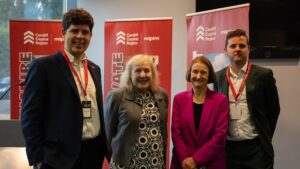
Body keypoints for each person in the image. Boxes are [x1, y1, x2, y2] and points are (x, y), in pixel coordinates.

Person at [21, 8, 107, 169]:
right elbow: (30, 117)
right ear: (63, 33)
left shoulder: (94, 69)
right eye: (74, 31)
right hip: (57, 158)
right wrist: (37, 159)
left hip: (93, 154)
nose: (80, 36)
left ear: (91, 36)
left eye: (85, 32)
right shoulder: (43, 67)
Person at [214, 29, 280, 169]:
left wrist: (265, 136)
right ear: (225, 50)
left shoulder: (264, 75)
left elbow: (274, 110)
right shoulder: (218, 77)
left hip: (257, 150)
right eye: (233, 46)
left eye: (242, 46)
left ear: (248, 49)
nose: (237, 49)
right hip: (229, 150)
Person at [104, 54, 169, 169]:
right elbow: (107, 135)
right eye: (137, 71)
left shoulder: (161, 95)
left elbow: (162, 130)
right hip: (127, 164)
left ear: (152, 74)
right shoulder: (117, 96)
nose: (143, 75)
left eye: (147, 71)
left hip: (155, 161)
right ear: (130, 74)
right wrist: (117, 159)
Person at [171, 56, 229, 169]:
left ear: (209, 75)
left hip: (212, 163)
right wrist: (186, 160)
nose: (198, 76)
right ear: (190, 73)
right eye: (195, 71)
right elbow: (176, 133)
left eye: (203, 72)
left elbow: (220, 136)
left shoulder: (220, 100)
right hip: (183, 164)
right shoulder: (178, 99)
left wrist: (195, 160)